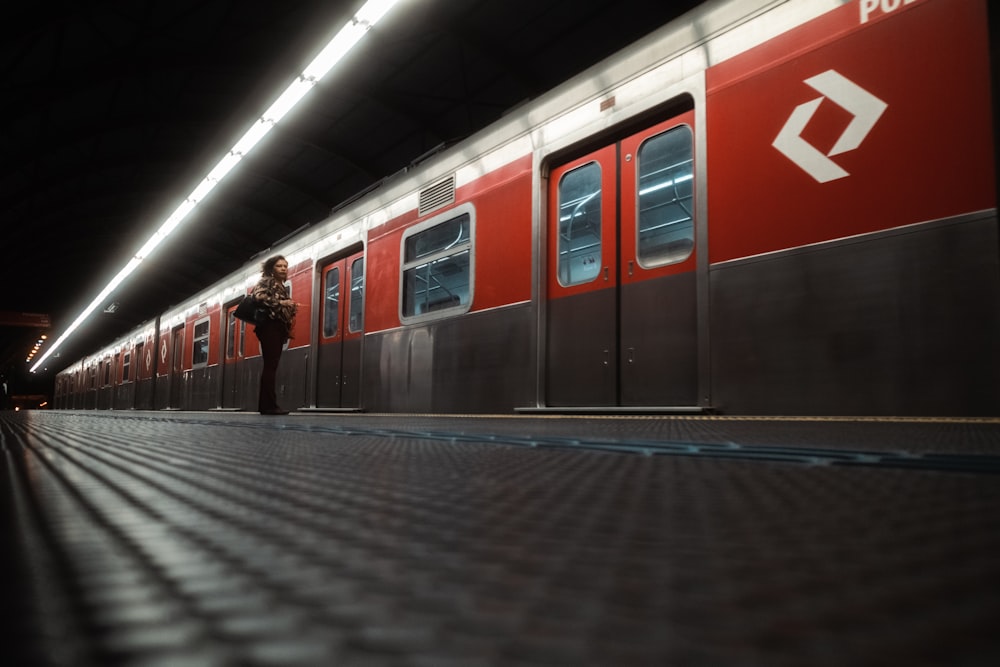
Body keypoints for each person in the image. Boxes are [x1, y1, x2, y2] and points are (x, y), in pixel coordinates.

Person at [252, 255, 299, 414]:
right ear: (272, 268)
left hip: (277, 328)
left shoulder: (280, 285)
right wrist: (281, 303)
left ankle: (268, 405)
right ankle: (269, 406)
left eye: (285, 266)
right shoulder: (267, 281)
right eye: (279, 266)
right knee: (270, 366)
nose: (283, 268)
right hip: (269, 326)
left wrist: (290, 307)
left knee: (271, 366)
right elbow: (258, 297)